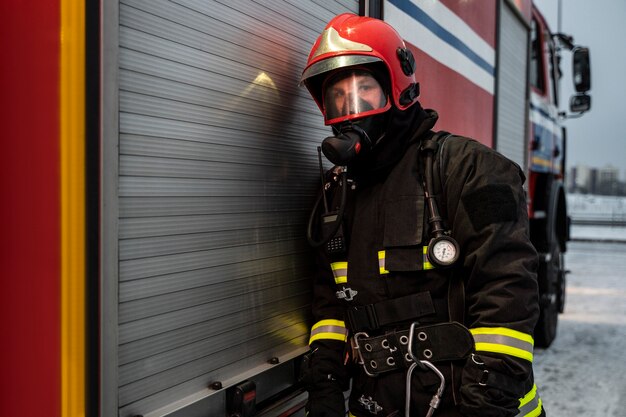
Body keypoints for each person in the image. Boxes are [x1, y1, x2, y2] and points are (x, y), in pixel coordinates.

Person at [299, 13, 546, 417]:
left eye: (365, 90)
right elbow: (331, 308)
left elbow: (509, 295)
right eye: (338, 97)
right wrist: (324, 386)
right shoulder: (335, 196)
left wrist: (483, 402)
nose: (352, 107)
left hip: (472, 403)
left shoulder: (472, 169)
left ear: (398, 89)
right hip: (378, 405)